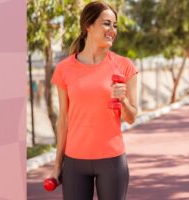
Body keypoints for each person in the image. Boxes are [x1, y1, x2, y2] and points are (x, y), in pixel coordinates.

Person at [50, 1, 138, 199]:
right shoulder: (64, 69)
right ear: (88, 26)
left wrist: (122, 100)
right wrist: (57, 165)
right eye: (106, 23)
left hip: (112, 161)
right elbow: (63, 120)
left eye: (115, 25)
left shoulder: (124, 66)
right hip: (74, 162)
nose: (112, 30)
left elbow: (132, 117)